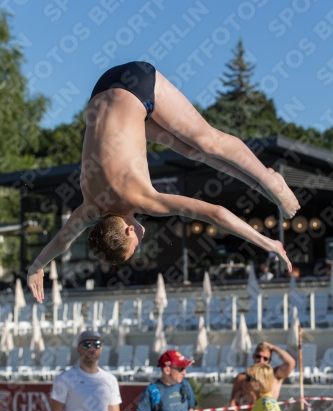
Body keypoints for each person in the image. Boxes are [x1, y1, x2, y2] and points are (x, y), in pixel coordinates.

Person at [27, 61, 300, 303]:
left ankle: (270, 180)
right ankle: (256, 182)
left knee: (207, 140)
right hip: (104, 89)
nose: (140, 246)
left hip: (138, 84)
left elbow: (215, 213)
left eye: (134, 248)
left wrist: (270, 244)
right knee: (191, 150)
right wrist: (37, 266)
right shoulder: (89, 210)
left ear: (128, 232)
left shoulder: (142, 199)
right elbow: (61, 242)